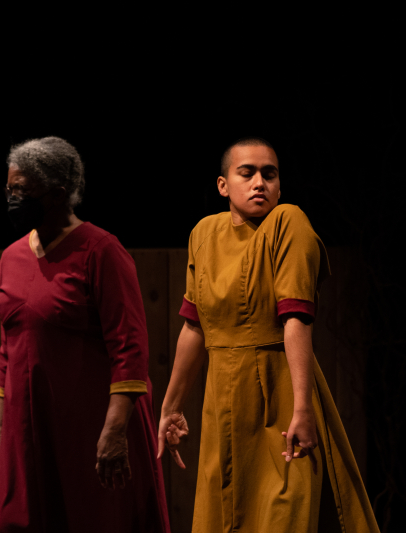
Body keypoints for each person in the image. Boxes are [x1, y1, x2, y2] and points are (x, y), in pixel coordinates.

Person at [157, 137, 380, 532]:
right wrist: (171, 406)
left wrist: (302, 408)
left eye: (269, 174)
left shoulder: (288, 222)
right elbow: (194, 327)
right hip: (221, 398)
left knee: (283, 509)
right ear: (224, 184)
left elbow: (295, 319)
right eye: (247, 173)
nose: (260, 182)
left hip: (276, 394)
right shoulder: (204, 233)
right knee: (224, 513)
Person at [0, 136, 170, 533]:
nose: (11, 198)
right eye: (8, 188)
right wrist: (1, 426)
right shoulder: (12, 256)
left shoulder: (100, 251)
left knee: (96, 518)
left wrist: (114, 431)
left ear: (56, 194)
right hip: (30, 425)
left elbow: (130, 348)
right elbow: (9, 348)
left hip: (89, 425)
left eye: (21, 190)